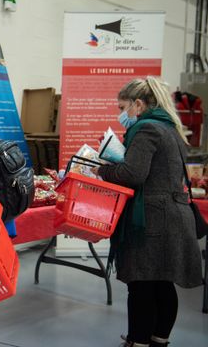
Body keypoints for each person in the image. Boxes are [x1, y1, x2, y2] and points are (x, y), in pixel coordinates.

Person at [94, 77, 202, 347]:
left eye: (123, 107)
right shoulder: (169, 127)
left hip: (153, 220)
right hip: (171, 216)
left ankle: (138, 341)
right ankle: (157, 340)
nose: (121, 113)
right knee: (162, 283)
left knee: (141, 284)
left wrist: (101, 169)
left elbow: (133, 174)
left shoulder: (146, 129)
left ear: (138, 104)